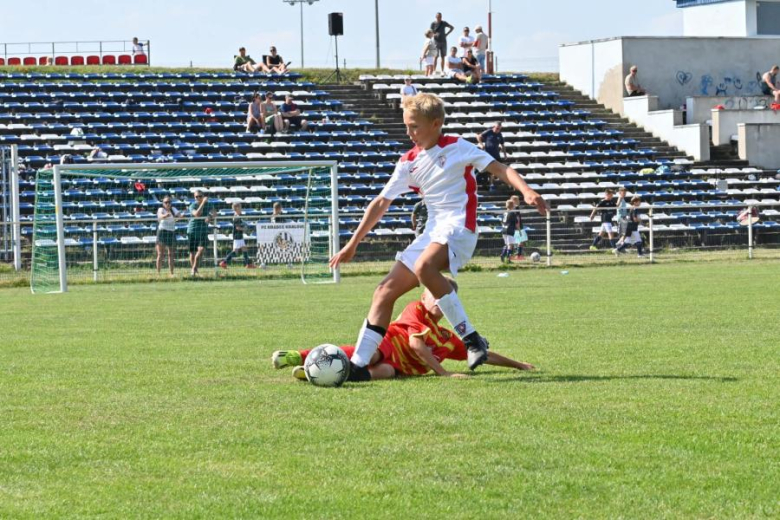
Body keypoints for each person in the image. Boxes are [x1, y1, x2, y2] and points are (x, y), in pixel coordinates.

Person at [328, 93, 546, 381]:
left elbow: (500, 168)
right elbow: (381, 202)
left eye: (414, 127)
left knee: (424, 267)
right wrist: (352, 243)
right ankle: (357, 365)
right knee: (384, 292)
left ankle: (471, 339)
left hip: (459, 228)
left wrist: (526, 191)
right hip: (433, 230)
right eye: (406, 126)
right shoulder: (408, 162)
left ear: (436, 123)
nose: (409, 133)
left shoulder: (458, 147)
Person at [272, 281, 535, 381]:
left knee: (383, 372)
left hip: (398, 368)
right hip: (388, 343)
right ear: (424, 297)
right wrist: (442, 373)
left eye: (448, 300)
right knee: (372, 356)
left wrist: (519, 365)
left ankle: (316, 375)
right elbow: (415, 345)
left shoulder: (445, 338)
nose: (441, 303)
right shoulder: (415, 310)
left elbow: (481, 354)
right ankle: (297, 355)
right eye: (437, 296)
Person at [187, 190, 216, 276]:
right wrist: (203, 203)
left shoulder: (209, 204)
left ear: (203, 196)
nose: (198, 198)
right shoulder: (193, 205)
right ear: (194, 197)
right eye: (197, 197)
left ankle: (194, 268)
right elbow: (197, 214)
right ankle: (194, 271)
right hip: (193, 230)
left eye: (200, 196)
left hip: (203, 230)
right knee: (192, 252)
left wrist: (210, 217)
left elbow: (215, 212)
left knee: (201, 250)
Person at [220, 202, 255, 269]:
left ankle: (248, 264)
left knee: (244, 249)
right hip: (237, 236)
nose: (241, 209)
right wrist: (244, 229)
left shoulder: (238, 216)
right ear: (236, 208)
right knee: (235, 251)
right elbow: (237, 228)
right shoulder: (236, 217)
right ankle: (224, 262)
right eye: (240, 207)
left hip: (239, 236)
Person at [476, 121, 506, 188]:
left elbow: (503, 145)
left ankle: (491, 183)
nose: (497, 130)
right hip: (488, 154)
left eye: (499, 129)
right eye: (496, 128)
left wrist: (505, 154)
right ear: (494, 127)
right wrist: (481, 144)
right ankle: (486, 183)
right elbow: (478, 136)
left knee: (498, 168)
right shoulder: (489, 132)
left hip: (496, 154)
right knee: (486, 169)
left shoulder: (499, 134)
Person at [156, 196, 180, 276]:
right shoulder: (161, 209)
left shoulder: (174, 209)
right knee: (160, 254)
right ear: (163, 203)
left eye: (169, 202)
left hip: (171, 231)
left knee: (171, 254)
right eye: (166, 202)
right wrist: (165, 216)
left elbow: (179, 216)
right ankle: (158, 274)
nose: (168, 204)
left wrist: (180, 216)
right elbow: (160, 216)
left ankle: (171, 273)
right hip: (162, 232)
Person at [500, 199, 521, 263]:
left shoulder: (504, 213)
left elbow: (502, 221)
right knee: (510, 245)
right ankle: (508, 259)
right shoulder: (512, 213)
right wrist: (519, 231)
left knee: (506, 244)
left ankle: (503, 254)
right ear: (512, 206)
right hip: (510, 230)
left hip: (504, 230)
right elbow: (517, 224)